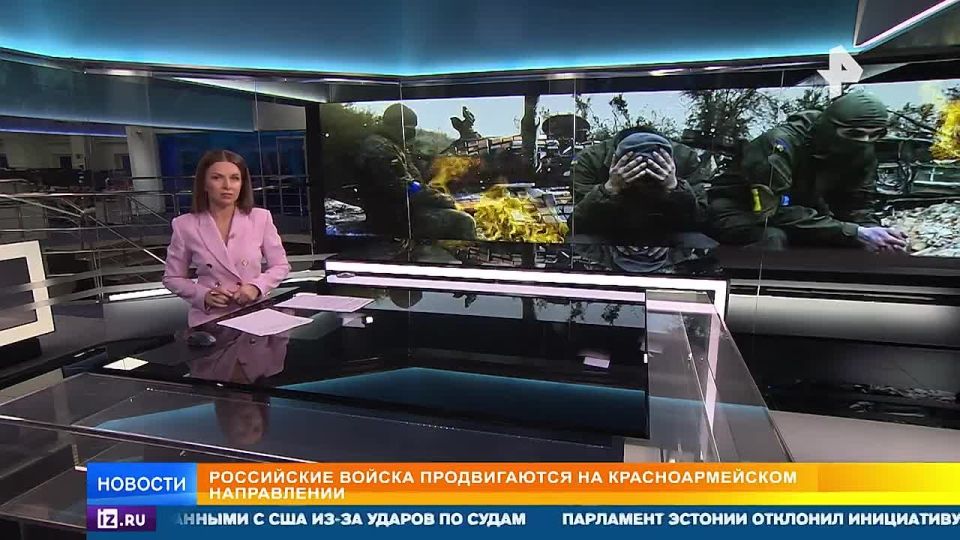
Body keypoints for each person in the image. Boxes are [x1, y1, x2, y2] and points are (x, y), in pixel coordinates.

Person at [709, 91, 908, 251]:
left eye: (875, 135)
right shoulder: (778, 146)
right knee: (772, 239)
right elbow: (772, 211)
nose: (864, 141)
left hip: (803, 212)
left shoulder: (861, 152)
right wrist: (853, 231)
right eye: (854, 133)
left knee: (860, 246)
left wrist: (874, 232)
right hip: (741, 211)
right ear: (830, 128)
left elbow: (857, 204)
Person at [163, 149, 291, 327]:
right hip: (210, 319)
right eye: (217, 178)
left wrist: (256, 287)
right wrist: (203, 295)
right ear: (204, 184)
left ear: (242, 184)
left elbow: (280, 266)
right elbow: (172, 277)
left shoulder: (261, 218)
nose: (227, 186)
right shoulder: (185, 225)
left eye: (235, 178)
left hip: (255, 314)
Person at [571, 127, 713, 246]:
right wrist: (610, 188)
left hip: (671, 233)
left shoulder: (686, 158)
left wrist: (674, 187)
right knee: (578, 241)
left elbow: (700, 219)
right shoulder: (591, 159)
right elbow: (577, 222)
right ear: (615, 159)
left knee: (700, 242)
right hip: (608, 232)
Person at [354, 103, 477, 240]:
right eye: (409, 130)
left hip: (397, 211)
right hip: (393, 218)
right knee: (464, 221)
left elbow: (413, 182)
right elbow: (406, 187)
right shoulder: (381, 148)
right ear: (398, 127)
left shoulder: (390, 145)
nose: (411, 135)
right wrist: (444, 200)